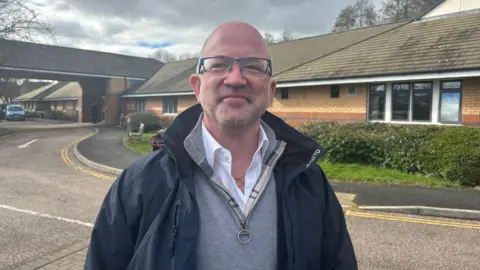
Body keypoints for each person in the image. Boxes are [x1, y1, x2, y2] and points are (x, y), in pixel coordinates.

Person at [84, 21, 357, 270]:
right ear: (197, 86)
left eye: (253, 66)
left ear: (271, 91)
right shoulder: (140, 182)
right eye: (218, 64)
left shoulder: (310, 182)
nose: (236, 79)